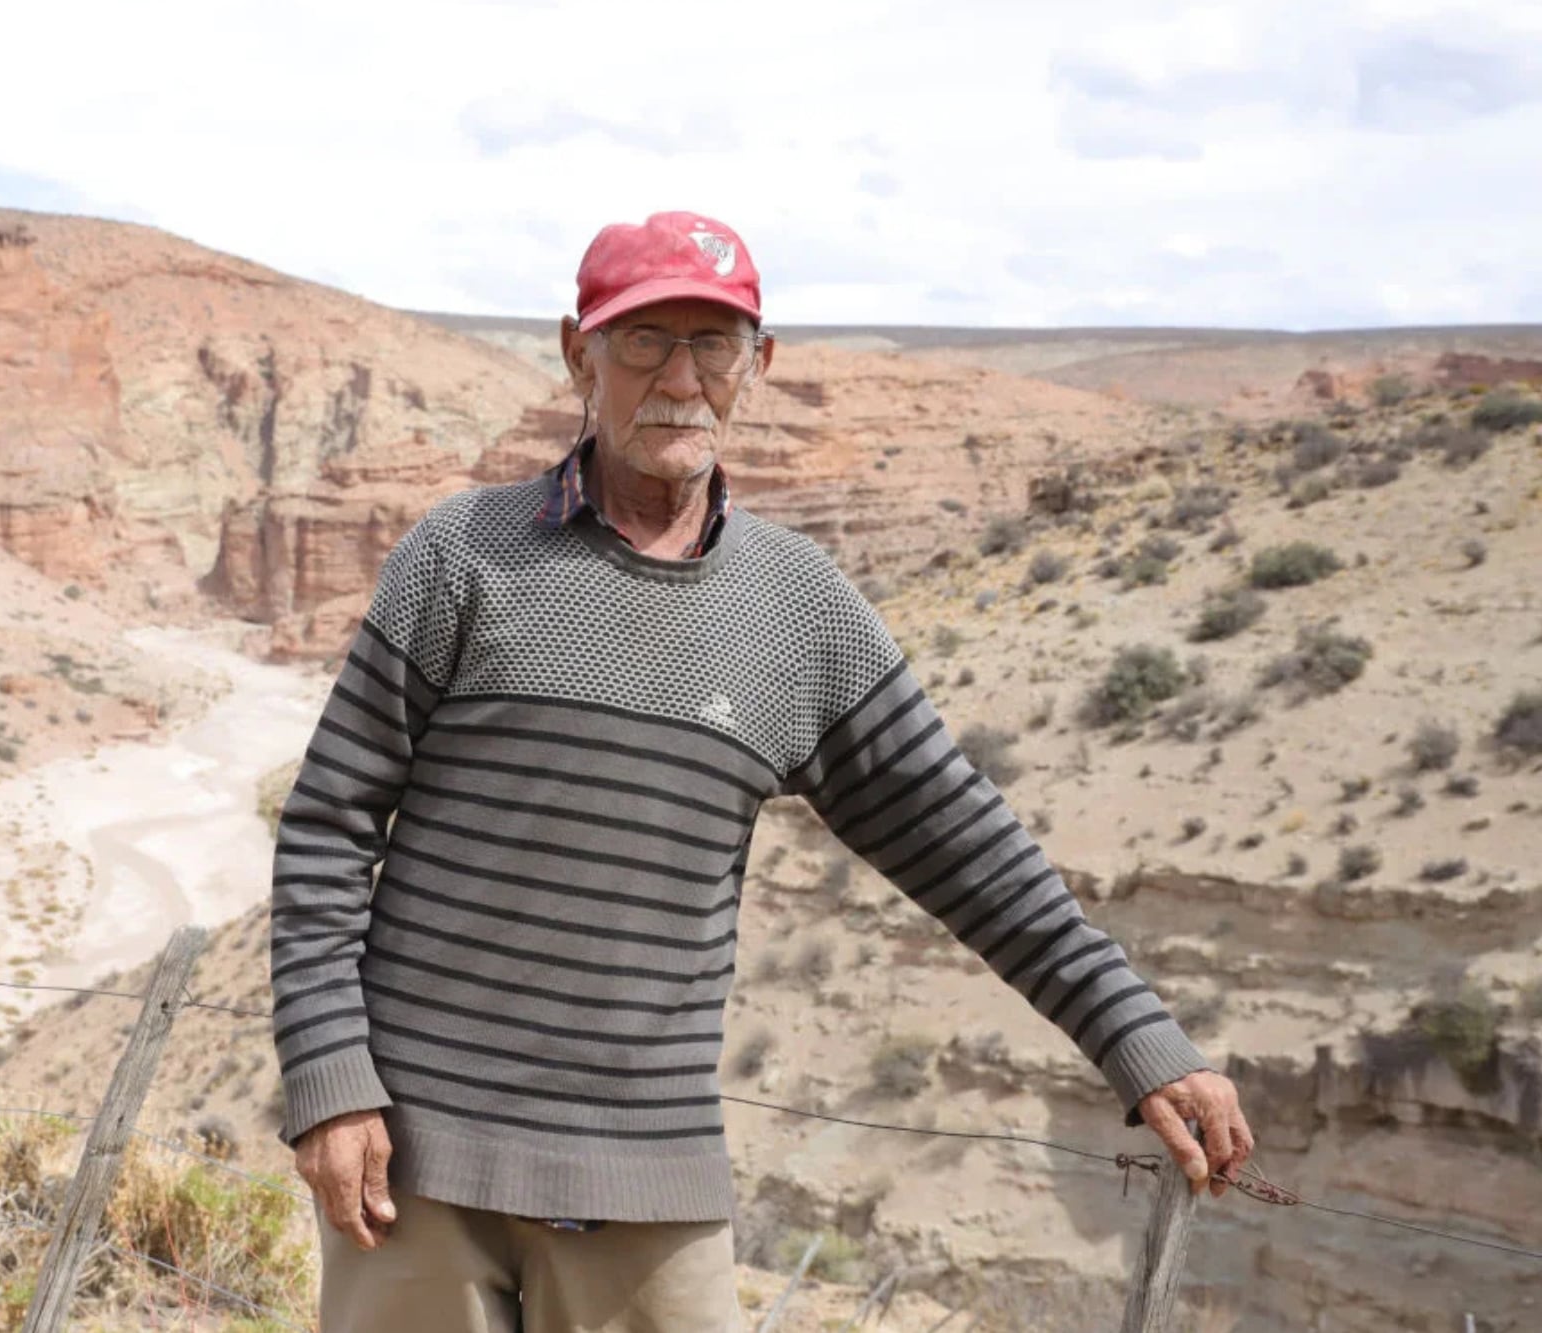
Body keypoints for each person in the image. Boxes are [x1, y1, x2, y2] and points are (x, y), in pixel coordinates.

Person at [268, 211, 1251, 1332]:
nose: (679, 378)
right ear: (575, 351)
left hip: (647, 1178)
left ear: (758, 363)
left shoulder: (803, 616)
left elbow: (970, 851)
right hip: (416, 1172)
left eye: (713, 343)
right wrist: (329, 1084)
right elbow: (327, 830)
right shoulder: (459, 558)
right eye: (641, 340)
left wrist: (1139, 1042)